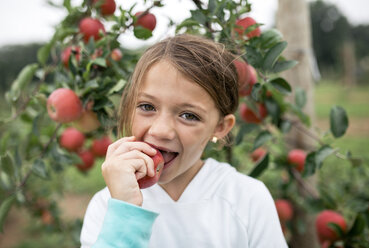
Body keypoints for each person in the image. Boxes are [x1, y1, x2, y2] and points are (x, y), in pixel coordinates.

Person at [80, 34, 288, 248]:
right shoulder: (109, 205)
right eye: (147, 107)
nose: (160, 131)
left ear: (220, 127)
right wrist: (125, 211)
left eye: (189, 115)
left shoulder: (246, 199)